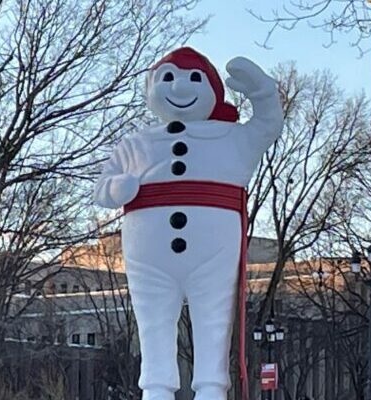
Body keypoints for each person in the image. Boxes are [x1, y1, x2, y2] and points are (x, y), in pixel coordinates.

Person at [94, 47, 283, 400]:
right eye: (168, 78)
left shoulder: (231, 138)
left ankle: (212, 387)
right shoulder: (135, 144)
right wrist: (119, 187)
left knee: (214, 317)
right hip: (149, 256)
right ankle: (156, 387)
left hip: (212, 254)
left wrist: (263, 92)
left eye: (194, 79)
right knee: (152, 320)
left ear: (212, 90)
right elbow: (103, 189)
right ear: (150, 87)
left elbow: (267, 125)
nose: (180, 89)